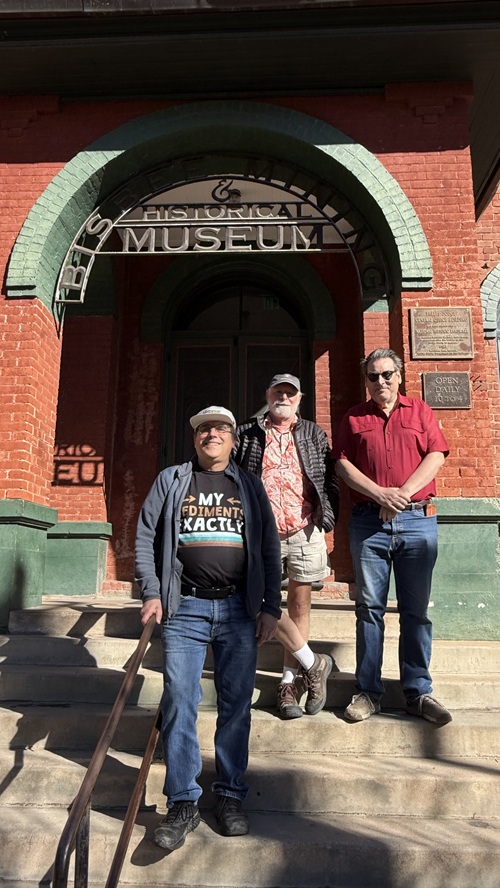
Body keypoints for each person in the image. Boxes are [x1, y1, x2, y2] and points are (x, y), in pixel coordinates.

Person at [135, 405, 329, 853]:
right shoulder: (172, 480)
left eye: (221, 428)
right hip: (184, 609)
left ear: (231, 439)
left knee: (236, 706)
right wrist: (151, 592)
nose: (213, 434)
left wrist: (269, 606)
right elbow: (146, 536)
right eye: (204, 428)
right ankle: (183, 803)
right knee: (180, 701)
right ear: (195, 438)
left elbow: (267, 546)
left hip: (238, 611)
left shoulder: (248, 484)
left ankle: (229, 796)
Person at [333, 348, 452, 725]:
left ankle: (418, 692)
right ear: (366, 381)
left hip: (417, 521)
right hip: (369, 524)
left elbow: (436, 455)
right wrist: (379, 494)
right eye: (373, 376)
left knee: (416, 611)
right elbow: (342, 464)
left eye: (387, 374)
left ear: (399, 376)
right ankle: (368, 692)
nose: (380, 381)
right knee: (369, 609)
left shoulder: (420, 412)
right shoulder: (354, 418)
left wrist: (399, 496)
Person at [234, 373, 339, 719]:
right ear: (267, 395)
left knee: (300, 606)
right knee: (257, 600)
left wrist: (327, 517)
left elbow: (328, 477)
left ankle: (288, 685)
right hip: (261, 532)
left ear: (299, 398)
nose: (283, 397)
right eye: (278, 391)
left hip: (304, 529)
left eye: (290, 393)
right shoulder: (247, 434)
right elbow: (232, 475)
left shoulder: (313, 433)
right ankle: (314, 662)